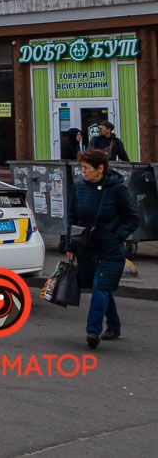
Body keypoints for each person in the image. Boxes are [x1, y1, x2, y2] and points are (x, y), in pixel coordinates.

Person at [65, 149, 138, 349]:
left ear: (101, 168)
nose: (83, 172)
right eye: (82, 168)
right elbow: (72, 218)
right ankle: (114, 325)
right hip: (86, 248)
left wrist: (118, 235)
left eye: (87, 169)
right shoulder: (79, 187)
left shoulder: (117, 190)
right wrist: (70, 245)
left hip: (111, 249)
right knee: (100, 287)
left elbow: (133, 218)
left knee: (100, 287)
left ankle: (92, 331)